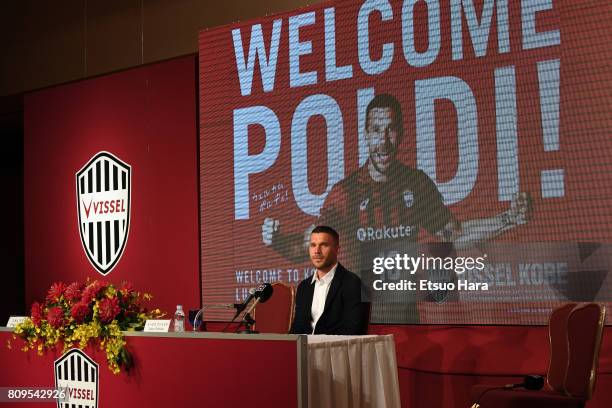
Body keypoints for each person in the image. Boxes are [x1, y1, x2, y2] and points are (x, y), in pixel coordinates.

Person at [265, 93, 531, 323]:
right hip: (359, 319)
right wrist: (279, 241)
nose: (384, 141)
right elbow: (313, 246)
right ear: (366, 135)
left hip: (405, 318)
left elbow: (456, 233)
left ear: (401, 133)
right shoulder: (347, 193)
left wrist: (509, 219)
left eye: (390, 129)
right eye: (376, 130)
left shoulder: (415, 184)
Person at [290, 226, 367, 335]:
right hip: (303, 349)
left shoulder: (353, 284)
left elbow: (353, 330)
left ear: (337, 249)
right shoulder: (304, 287)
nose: (317, 251)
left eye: (324, 245)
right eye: (313, 245)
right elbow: (297, 328)